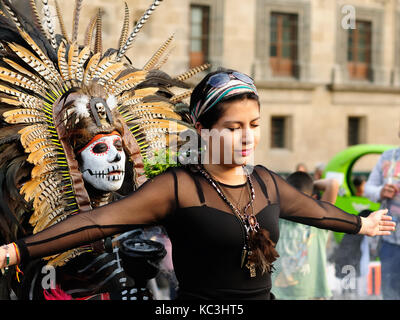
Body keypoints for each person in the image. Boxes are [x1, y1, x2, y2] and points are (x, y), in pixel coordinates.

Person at [0, 68, 395, 300]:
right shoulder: (179, 187)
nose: (248, 137)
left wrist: (361, 223)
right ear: (203, 130)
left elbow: (315, 211)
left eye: (254, 125)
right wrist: (16, 251)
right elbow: (99, 221)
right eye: (233, 127)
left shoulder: (266, 183)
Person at [272, 171, 339, 300]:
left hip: (310, 295)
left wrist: (308, 184)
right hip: (280, 295)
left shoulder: (318, 219)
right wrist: (308, 188)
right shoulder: (277, 218)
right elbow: (332, 184)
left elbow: (333, 184)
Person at [364, 147, 400, 299]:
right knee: (390, 293)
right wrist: (380, 191)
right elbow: (368, 188)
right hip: (390, 239)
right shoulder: (389, 156)